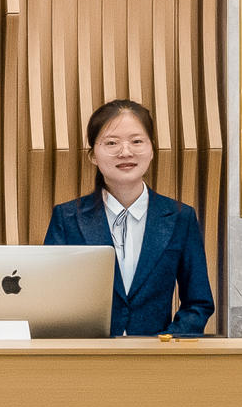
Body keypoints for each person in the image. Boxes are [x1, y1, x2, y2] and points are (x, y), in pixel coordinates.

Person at [42, 98, 214, 337]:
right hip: (88, 352)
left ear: (152, 150)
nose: (125, 152)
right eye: (112, 143)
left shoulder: (180, 217)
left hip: (157, 354)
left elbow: (198, 303)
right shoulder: (68, 217)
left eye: (136, 141)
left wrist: (166, 343)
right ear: (93, 155)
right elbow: (50, 296)